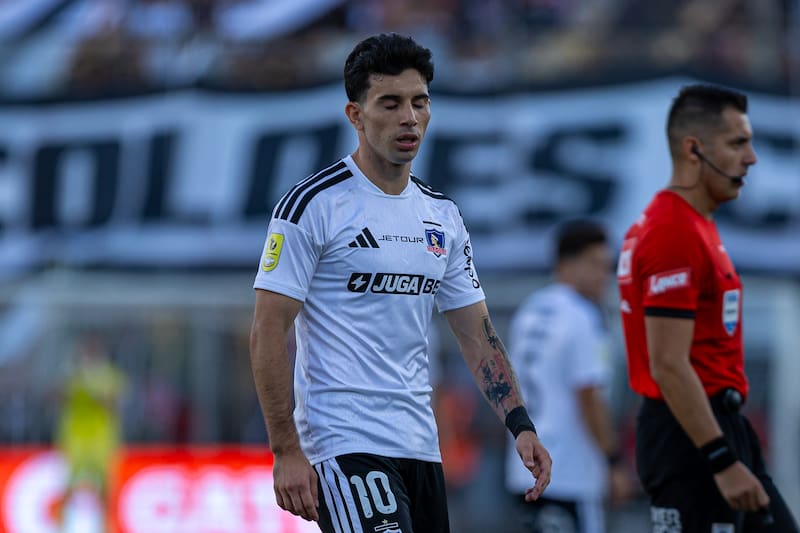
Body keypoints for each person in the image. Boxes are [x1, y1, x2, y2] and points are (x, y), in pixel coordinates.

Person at [249, 32, 551, 532]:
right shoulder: (313, 205)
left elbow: (477, 335)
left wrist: (519, 425)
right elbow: (267, 330)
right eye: (390, 103)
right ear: (356, 116)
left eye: (419, 102)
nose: (409, 117)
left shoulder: (443, 216)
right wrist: (286, 449)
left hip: (420, 444)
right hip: (343, 442)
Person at [616, 84, 799, 532]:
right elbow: (669, 364)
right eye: (738, 143)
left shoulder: (695, 225)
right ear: (693, 149)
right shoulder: (672, 232)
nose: (751, 158)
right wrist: (720, 459)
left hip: (718, 428)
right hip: (693, 439)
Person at [505, 220, 632, 533]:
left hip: (524, 467)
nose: (604, 275)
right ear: (566, 264)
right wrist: (613, 461)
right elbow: (588, 396)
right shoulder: (583, 316)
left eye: (606, 265)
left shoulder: (530, 310)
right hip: (570, 471)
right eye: (595, 264)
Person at [55, 333, 127, 532]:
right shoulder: (73, 376)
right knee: (69, 488)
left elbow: (115, 404)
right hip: (75, 440)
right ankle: (64, 526)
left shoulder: (111, 376)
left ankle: (106, 527)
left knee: (105, 490)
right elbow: (59, 399)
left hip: (102, 441)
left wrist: (95, 390)